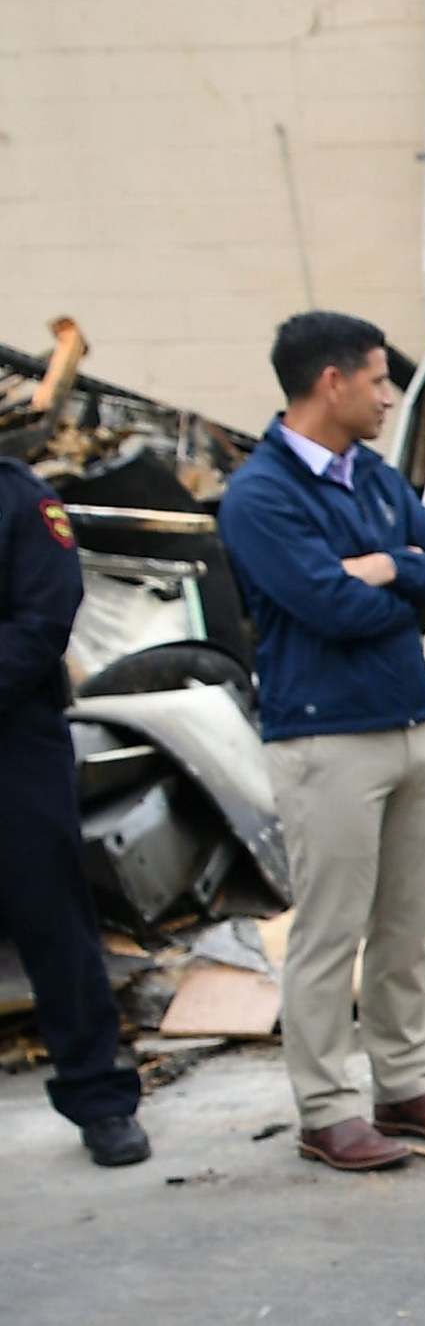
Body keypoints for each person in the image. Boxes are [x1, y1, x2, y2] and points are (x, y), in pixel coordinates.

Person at [217, 312, 425, 1171]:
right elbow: (326, 607)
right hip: (326, 739)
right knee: (332, 932)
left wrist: (391, 568)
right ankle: (326, 1108)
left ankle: (405, 1084)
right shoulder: (261, 497)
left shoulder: (371, 477)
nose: (386, 396)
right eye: (377, 379)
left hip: (410, 725)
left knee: (407, 925)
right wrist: (404, 576)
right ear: (329, 382)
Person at [0, 458, 151, 1168]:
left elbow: (45, 618)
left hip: (14, 743)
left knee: (51, 917)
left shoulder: (21, 499)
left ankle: (101, 1100)